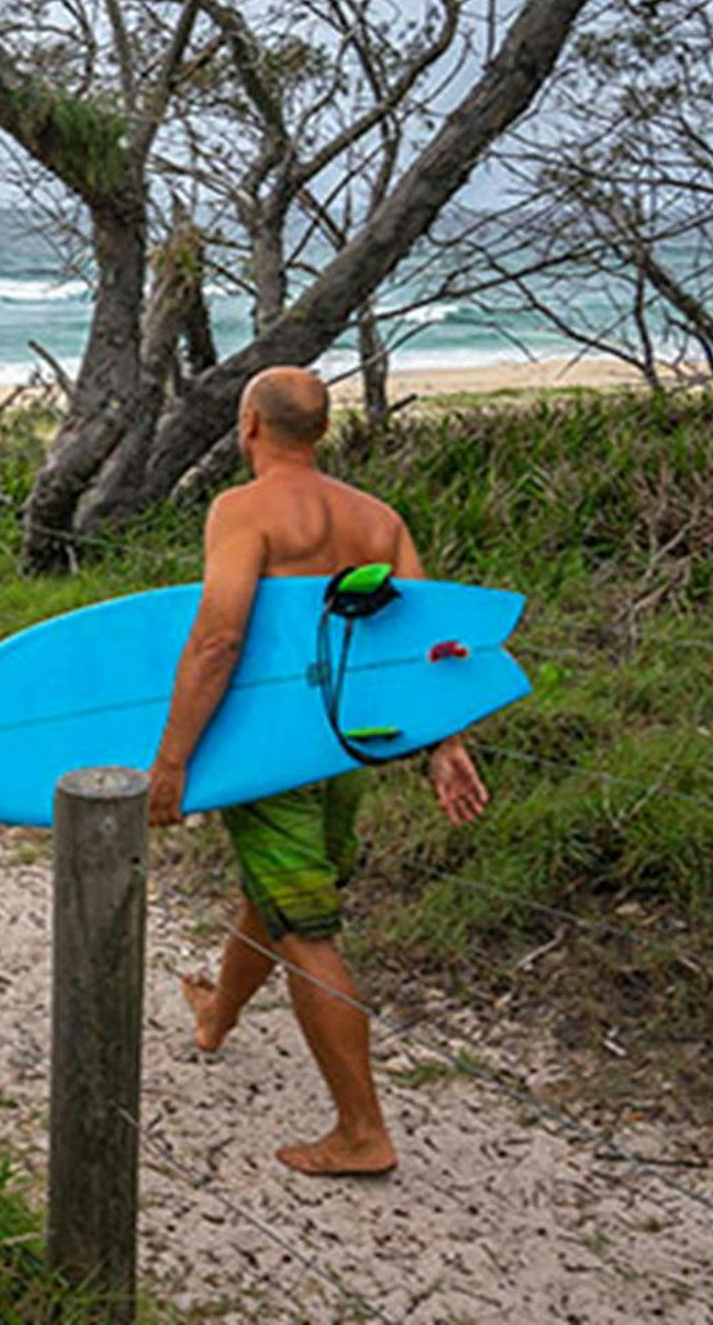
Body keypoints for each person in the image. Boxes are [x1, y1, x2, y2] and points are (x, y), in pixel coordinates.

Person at [144, 365, 489, 1177]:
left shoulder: (242, 509)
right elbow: (427, 645)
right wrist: (445, 744)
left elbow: (220, 639)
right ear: (322, 432)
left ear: (249, 427)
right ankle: (216, 1016)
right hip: (348, 744)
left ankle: (361, 1131)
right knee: (283, 888)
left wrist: (171, 760)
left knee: (307, 924)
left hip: (272, 745)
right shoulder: (379, 521)